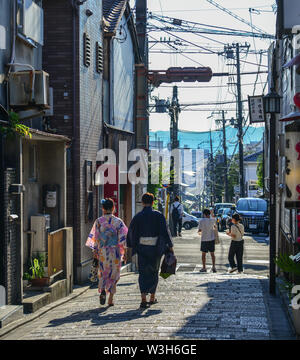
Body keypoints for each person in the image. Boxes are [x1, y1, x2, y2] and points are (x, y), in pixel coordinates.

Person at [127, 192, 174, 309]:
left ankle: (143, 298)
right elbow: (165, 231)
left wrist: (131, 245)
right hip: (156, 248)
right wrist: (170, 246)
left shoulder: (138, 216)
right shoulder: (158, 215)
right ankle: (152, 297)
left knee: (142, 272)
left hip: (142, 248)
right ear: (153, 202)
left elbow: (131, 231)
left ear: (142, 203)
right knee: (154, 272)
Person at [85, 198, 128, 306]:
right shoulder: (118, 222)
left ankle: (103, 290)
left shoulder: (99, 221)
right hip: (115, 252)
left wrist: (95, 251)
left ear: (103, 208)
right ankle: (110, 299)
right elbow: (123, 238)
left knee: (103, 273)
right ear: (113, 208)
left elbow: (95, 237)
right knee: (115, 275)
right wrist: (125, 253)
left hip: (103, 251)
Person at [198, 208, 217, 273]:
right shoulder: (212, 220)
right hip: (211, 239)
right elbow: (214, 220)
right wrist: (212, 213)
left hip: (204, 239)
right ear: (209, 214)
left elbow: (200, 231)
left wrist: (200, 232)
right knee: (212, 254)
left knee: (203, 254)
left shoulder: (201, 221)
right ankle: (214, 267)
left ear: (204, 214)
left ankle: (204, 267)